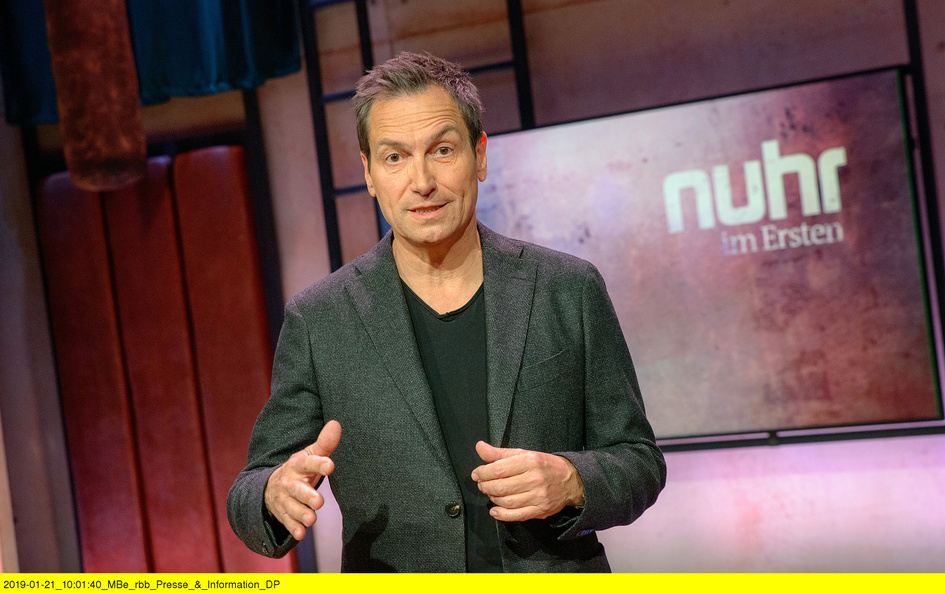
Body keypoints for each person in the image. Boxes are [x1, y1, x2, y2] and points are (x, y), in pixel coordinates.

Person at [227, 52, 666, 572]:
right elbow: (249, 490)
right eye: (395, 157)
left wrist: (573, 481)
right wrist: (273, 494)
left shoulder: (566, 289)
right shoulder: (320, 320)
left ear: (479, 155)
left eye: (442, 150)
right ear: (369, 173)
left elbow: (639, 460)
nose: (421, 181)